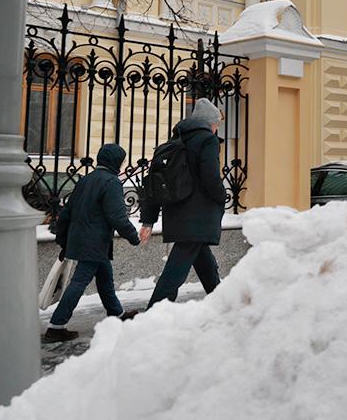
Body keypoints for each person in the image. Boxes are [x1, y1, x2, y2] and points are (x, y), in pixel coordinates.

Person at [44, 143, 141, 343]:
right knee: (79, 282)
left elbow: (67, 213)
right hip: (95, 242)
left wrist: (63, 240)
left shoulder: (86, 180)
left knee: (105, 278)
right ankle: (56, 325)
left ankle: (117, 314)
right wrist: (133, 236)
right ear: (115, 161)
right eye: (121, 161)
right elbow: (117, 217)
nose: (122, 165)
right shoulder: (111, 182)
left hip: (83, 240)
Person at [139, 98, 227, 307]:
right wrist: (221, 196)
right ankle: (155, 311)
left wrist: (148, 221)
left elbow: (154, 183)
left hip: (177, 212)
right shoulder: (207, 140)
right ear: (209, 123)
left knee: (202, 258)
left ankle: (222, 302)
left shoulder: (173, 143)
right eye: (216, 123)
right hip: (198, 214)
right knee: (176, 268)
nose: (216, 128)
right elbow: (211, 177)